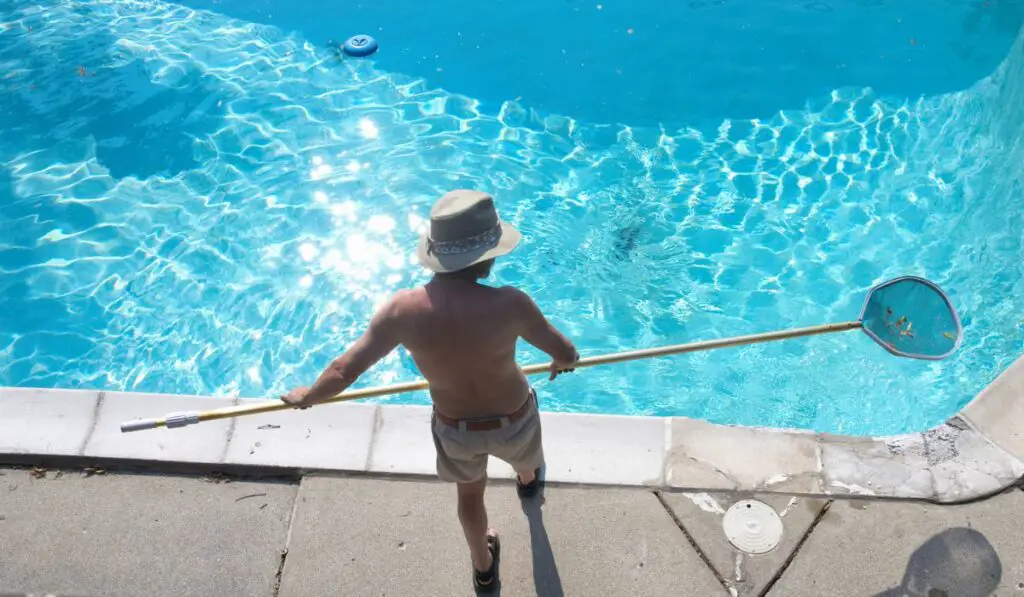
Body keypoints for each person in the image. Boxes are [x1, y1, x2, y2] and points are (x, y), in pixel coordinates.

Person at [280, 189, 579, 593]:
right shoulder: (512, 304)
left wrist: (308, 397)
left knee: (470, 496)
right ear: (488, 255)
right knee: (524, 456)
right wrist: (560, 363)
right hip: (514, 417)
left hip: (456, 429)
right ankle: (527, 480)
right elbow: (566, 352)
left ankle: (483, 565)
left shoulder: (402, 310)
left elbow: (343, 369)